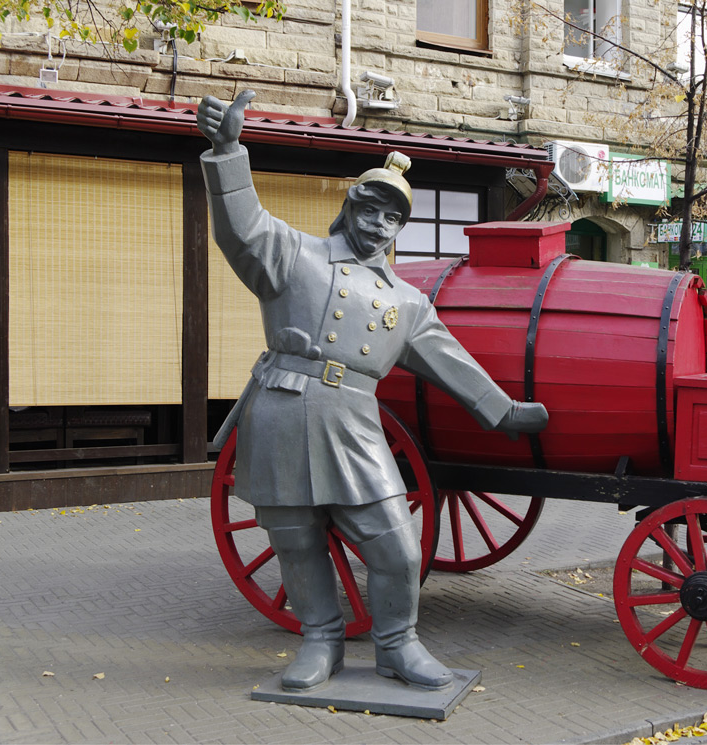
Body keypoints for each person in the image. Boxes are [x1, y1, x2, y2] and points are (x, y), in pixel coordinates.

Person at [197, 90, 549, 693]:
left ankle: (397, 645)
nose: (378, 224)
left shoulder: (408, 302)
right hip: (282, 409)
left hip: (353, 422)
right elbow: (243, 228)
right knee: (296, 538)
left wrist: (505, 413)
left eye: (392, 217)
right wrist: (229, 152)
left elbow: (450, 362)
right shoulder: (294, 255)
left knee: (395, 544)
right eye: (370, 209)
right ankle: (320, 641)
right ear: (350, 207)